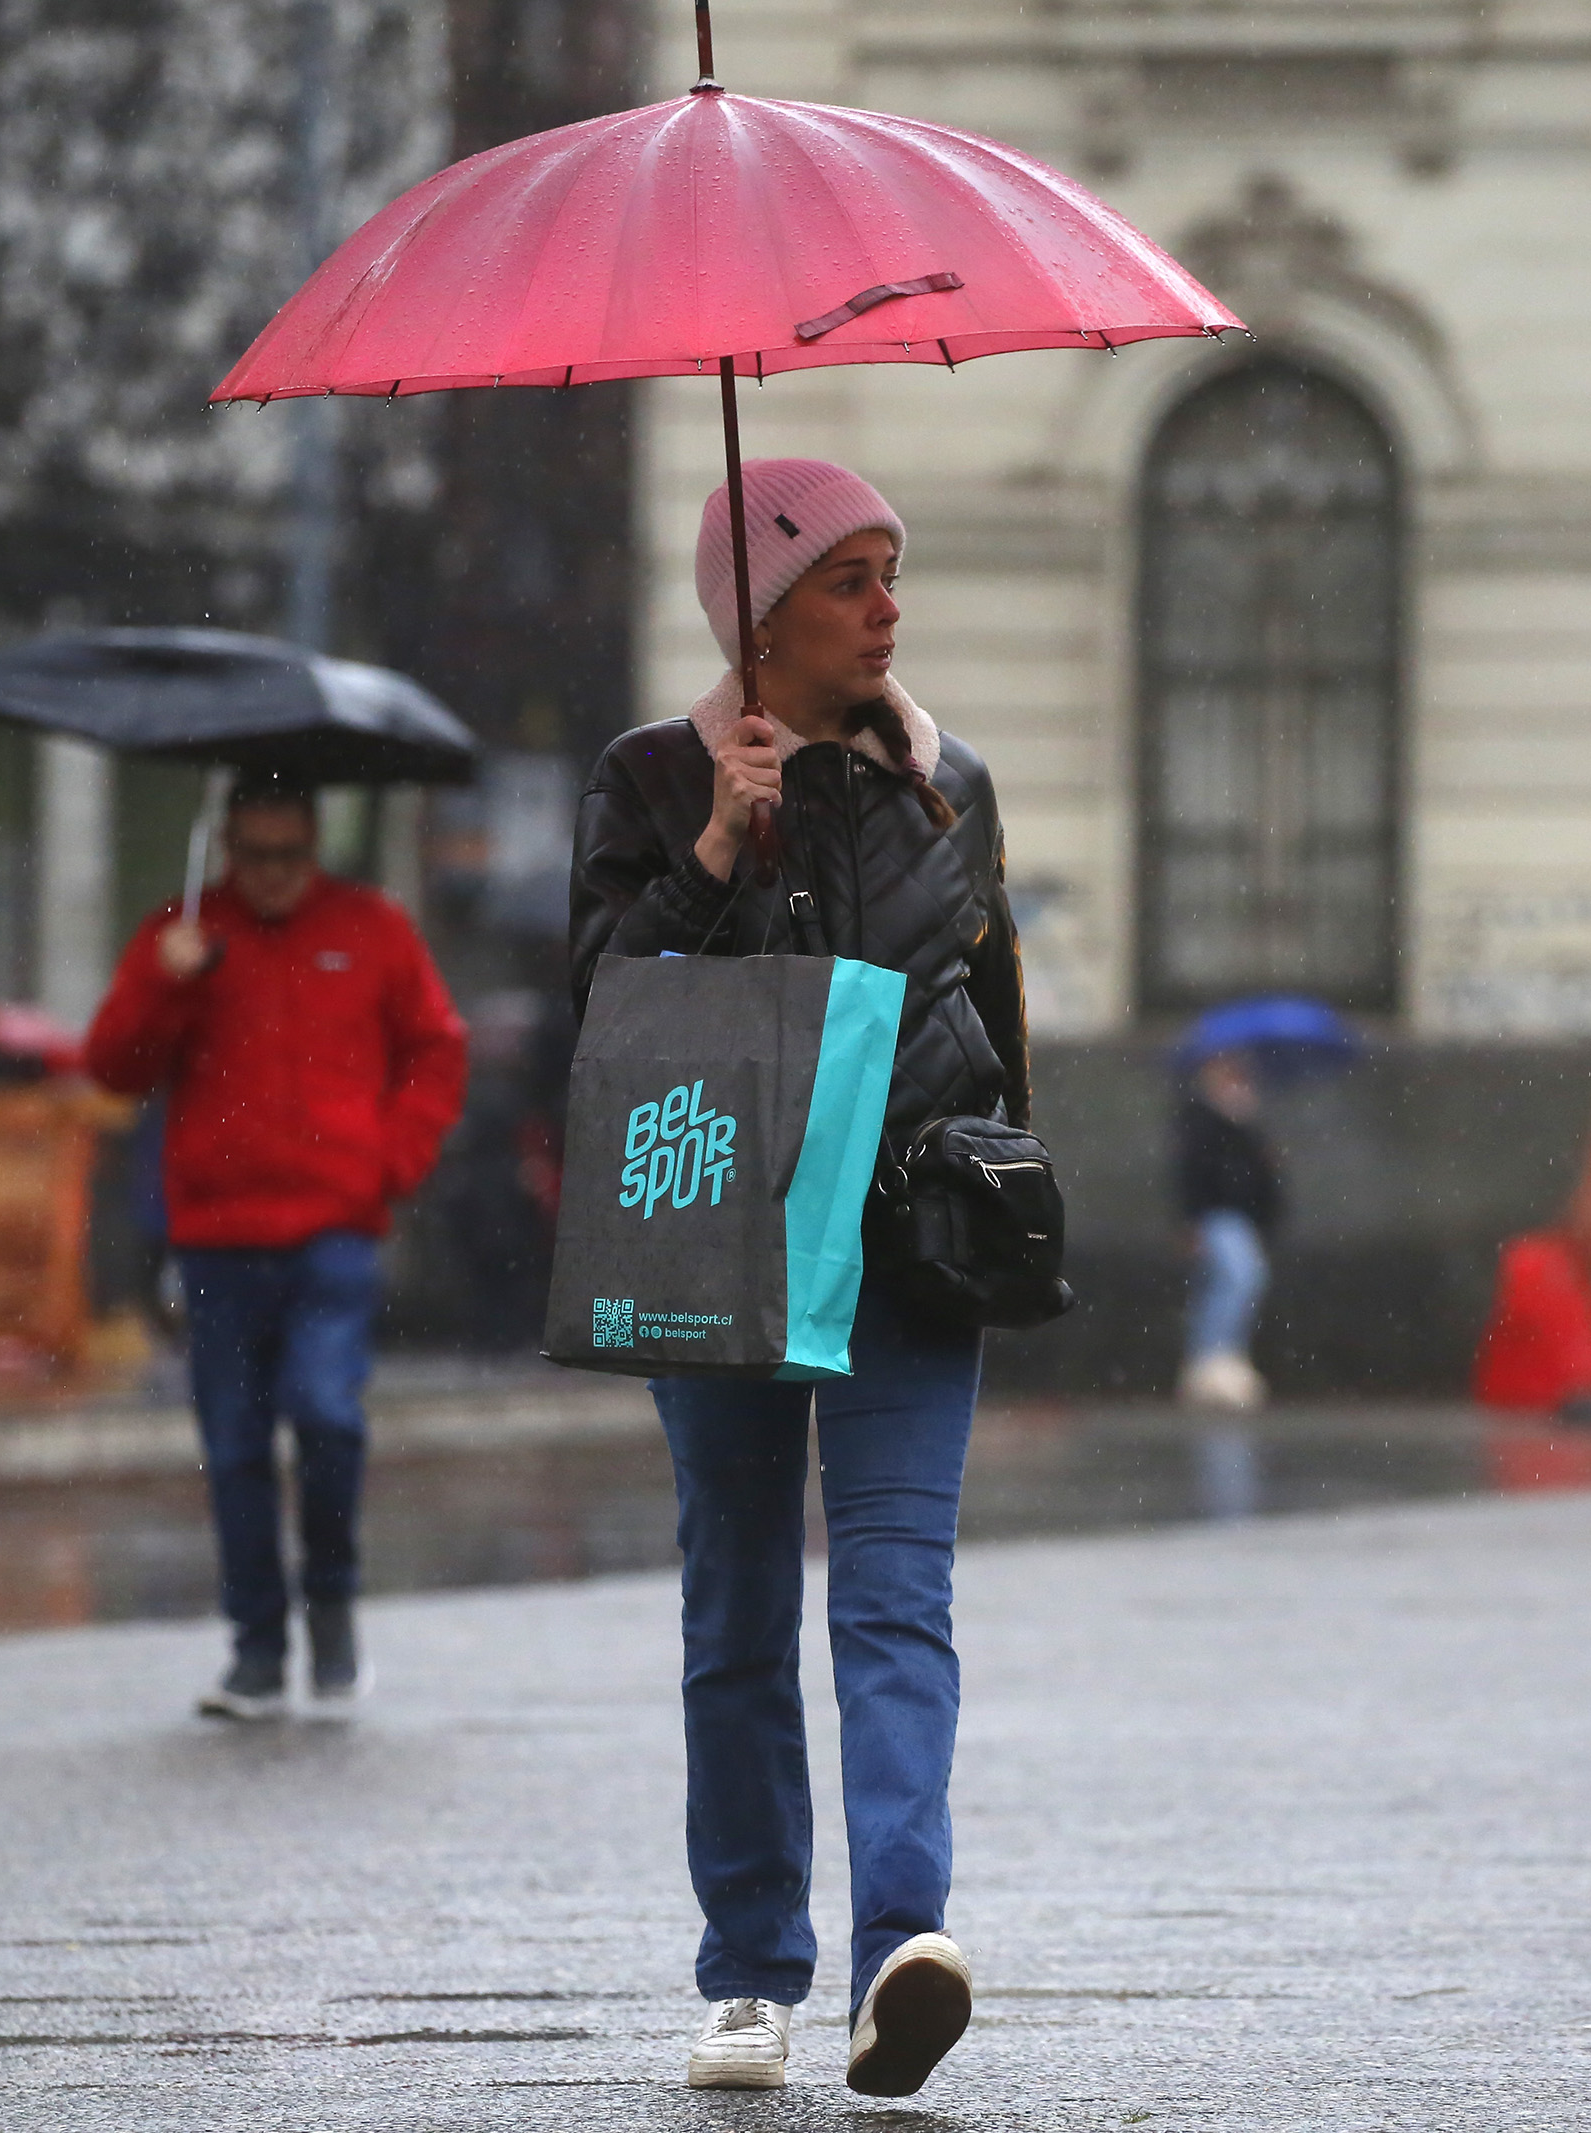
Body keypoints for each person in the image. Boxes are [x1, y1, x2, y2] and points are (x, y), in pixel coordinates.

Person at [572, 458, 1028, 2098]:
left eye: (893, 570)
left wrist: (1007, 1206)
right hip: (723, 1235)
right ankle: (752, 1969)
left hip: (910, 1245)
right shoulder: (645, 777)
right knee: (742, 1611)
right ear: (758, 617)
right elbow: (605, 1008)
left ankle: (901, 1940)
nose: (889, 607)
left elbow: (994, 1016)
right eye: (850, 577)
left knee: (899, 1597)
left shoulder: (948, 778)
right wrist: (713, 849)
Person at [85, 774, 467, 1718]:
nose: (272, 877)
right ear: (227, 850)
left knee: (327, 1416)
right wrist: (162, 981)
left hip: (334, 1230)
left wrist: (391, 1160)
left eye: (289, 856)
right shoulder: (182, 934)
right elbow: (113, 1066)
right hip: (217, 1237)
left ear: (313, 847)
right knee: (236, 1444)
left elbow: (436, 1048)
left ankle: (330, 1604)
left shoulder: (371, 929)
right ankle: (258, 1647)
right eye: (254, 857)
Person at [1174, 1046, 1280, 1409]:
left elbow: (1262, 1178)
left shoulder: (1245, 1124)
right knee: (1240, 1279)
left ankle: (1215, 1358)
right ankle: (1213, 1358)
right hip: (1218, 1215)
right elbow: (1194, 1174)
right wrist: (1193, 1221)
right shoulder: (1201, 1121)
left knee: (1224, 1284)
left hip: (1240, 1217)